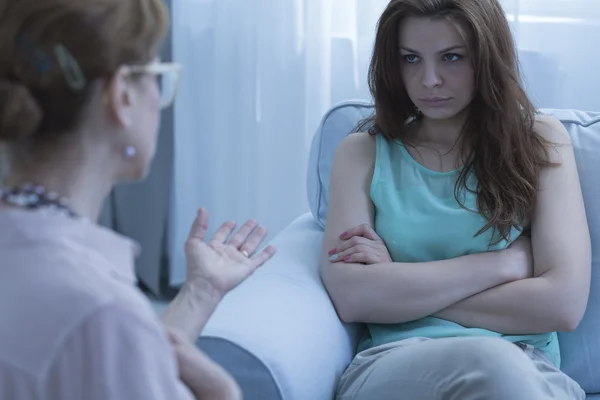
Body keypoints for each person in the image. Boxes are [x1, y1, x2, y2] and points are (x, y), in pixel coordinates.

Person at [0, 0, 276, 399]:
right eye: (158, 77)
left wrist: (201, 290)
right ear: (122, 95)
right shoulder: (100, 312)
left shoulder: (65, 287)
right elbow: (101, 338)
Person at [320, 0, 591, 399]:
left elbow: (562, 306)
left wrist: (399, 284)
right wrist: (504, 264)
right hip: (396, 362)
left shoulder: (541, 142)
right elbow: (353, 296)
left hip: (526, 365)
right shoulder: (361, 152)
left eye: (451, 57)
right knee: (491, 362)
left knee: (500, 367)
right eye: (411, 58)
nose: (429, 80)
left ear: (487, 58)